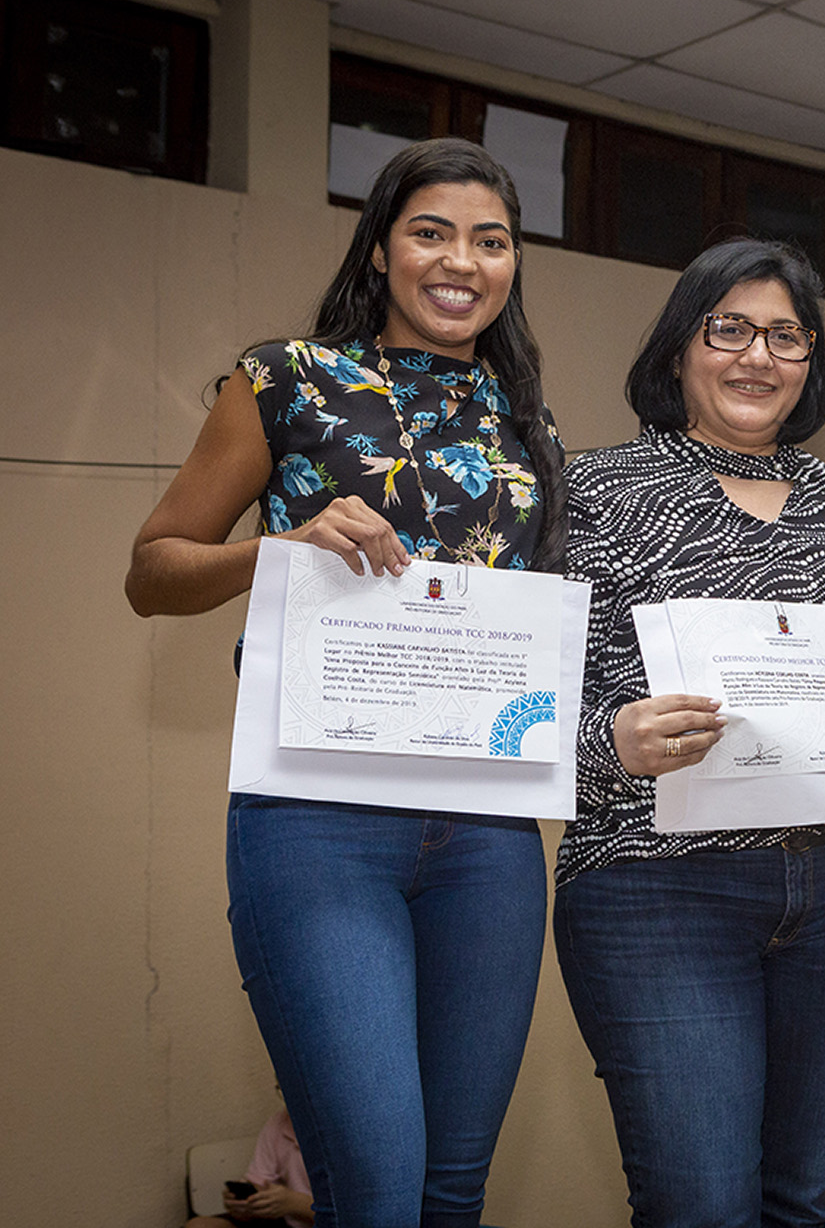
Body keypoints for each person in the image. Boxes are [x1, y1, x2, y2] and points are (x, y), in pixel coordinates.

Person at [126, 137, 566, 1228]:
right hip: (318, 822)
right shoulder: (283, 380)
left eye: (491, 240)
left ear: (513, 263)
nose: (460, 260)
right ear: (379, 249)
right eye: (430, 232)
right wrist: (278, 551)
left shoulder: (526, 419)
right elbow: (153, 570)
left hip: (487, 837)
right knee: (374, 1184)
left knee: (451, 1191)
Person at [553, 238, 825, 1228]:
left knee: (799, 1203)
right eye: (729, 329)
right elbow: (515, 704)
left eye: (786, 336)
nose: (758, 356)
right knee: (698, 1204)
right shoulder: (596, 489)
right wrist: (612, 740)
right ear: (678, 349)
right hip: (656, 888)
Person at [186, 1108, 313, 1227]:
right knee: (198, 1225)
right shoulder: (279, 1121)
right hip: (285, 1220)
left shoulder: (325, 1126)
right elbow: (259, 1183)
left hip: (316, 1220)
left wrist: (296, 1203)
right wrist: (244, 1205)